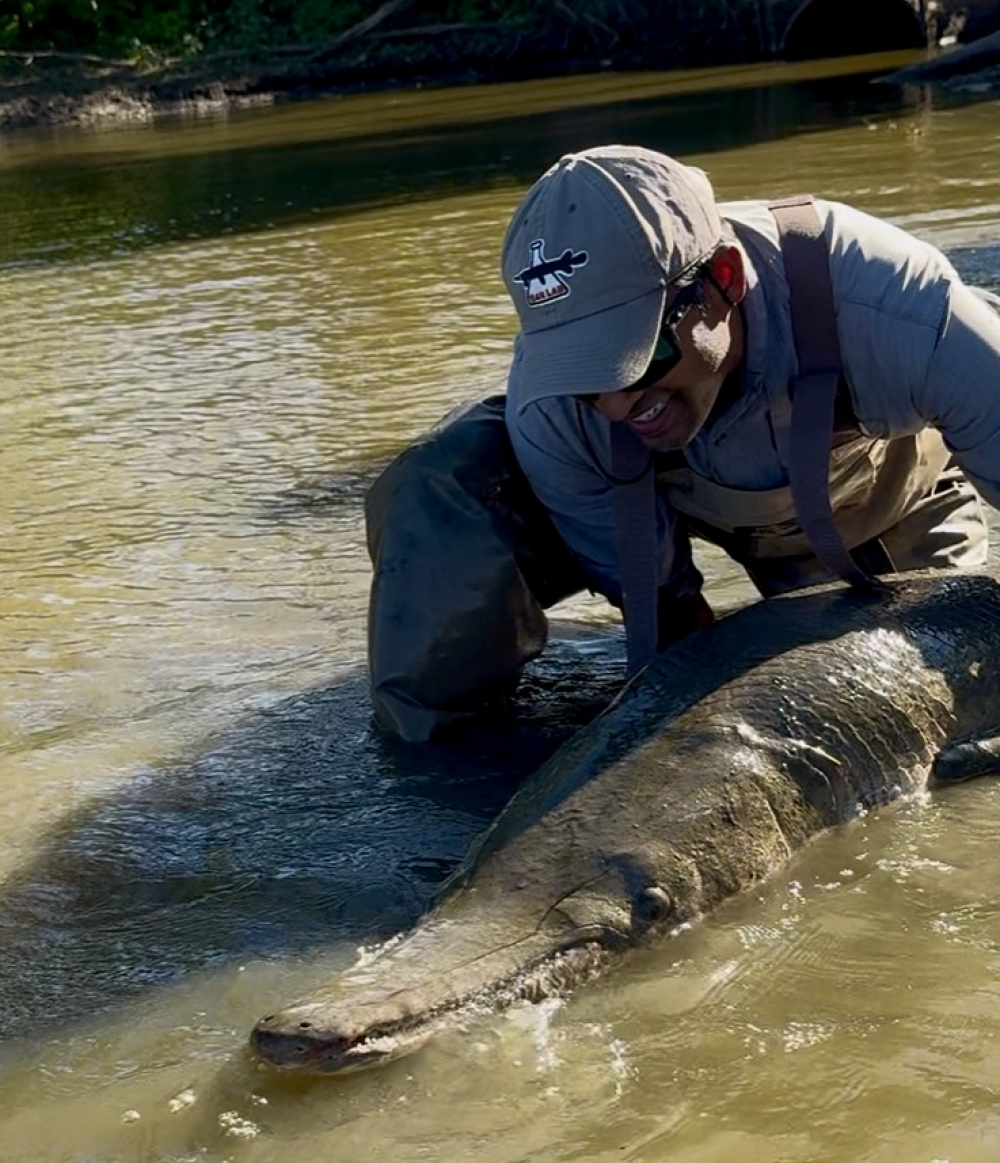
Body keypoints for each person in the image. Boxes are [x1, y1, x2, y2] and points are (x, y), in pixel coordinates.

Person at [366, 143, 1000, 741]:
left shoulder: (899, 306)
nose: (615, 404)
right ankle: (465, 778)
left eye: (633, 360)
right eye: (583, 373)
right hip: (655, 498)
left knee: (946, 687)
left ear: (723, 280)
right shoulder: (551, 410)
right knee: (441, 489)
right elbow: (662, 609)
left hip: (865, 504)